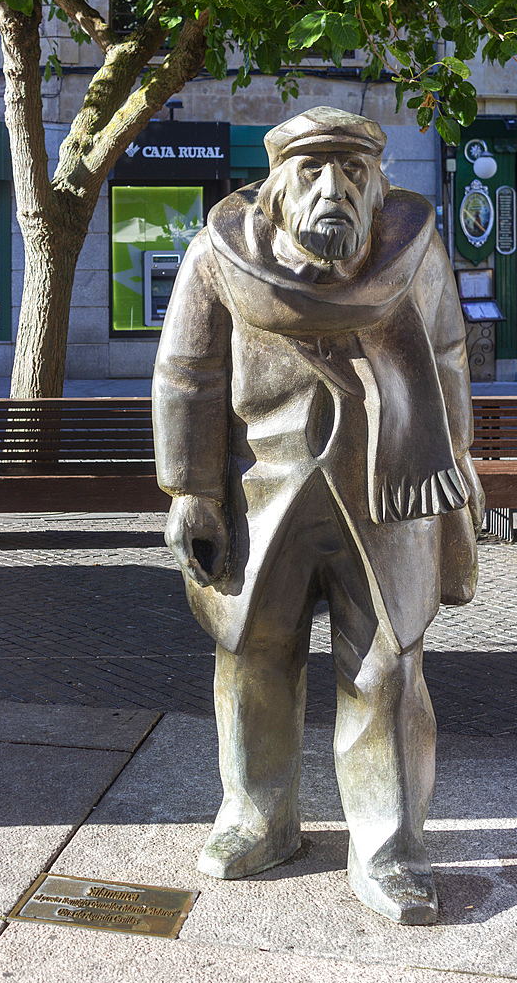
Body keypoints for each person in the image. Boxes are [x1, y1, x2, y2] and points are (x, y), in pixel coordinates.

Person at [153, 107, 484, 925]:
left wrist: (456, 468)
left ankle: (390, 849)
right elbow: (186, 372)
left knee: (387, 669)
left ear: (378, 185)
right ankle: (257, 818)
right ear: (275, 188)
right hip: (258, 493)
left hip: (388, 496)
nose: (333, 187)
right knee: (252, 656)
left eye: (352, 171)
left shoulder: (417, 255)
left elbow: (445, 361)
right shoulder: (218, 256)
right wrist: (190, 490)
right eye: (311, 170)